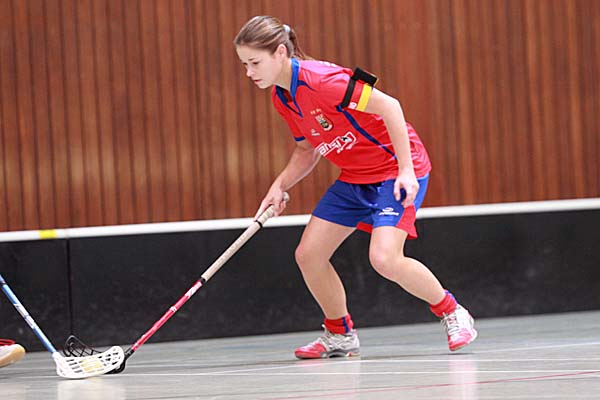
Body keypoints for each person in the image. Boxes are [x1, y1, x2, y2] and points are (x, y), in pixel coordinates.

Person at [234, 16, 477, 359]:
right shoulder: (283, 98)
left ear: (280, 53)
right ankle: (340, 334)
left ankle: (453, 312)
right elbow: (306, 150)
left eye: (254, 63)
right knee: (309, 255)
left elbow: (390, 106)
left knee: (384, 258)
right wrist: (279, 185)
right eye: (244, 64)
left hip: (395, 169)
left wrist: (406, 171)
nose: (249, 72)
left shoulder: (324, 82)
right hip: (355, 176)